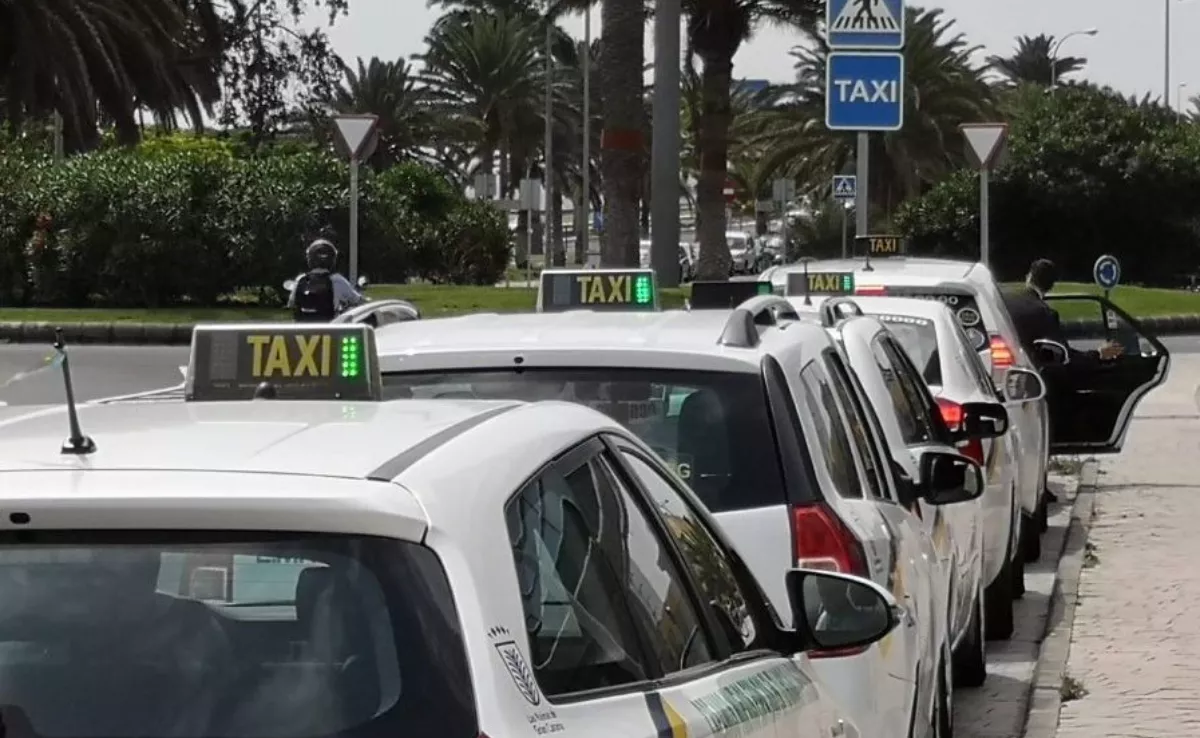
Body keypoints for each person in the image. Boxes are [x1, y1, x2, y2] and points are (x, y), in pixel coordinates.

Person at [1003, 258, 1122, 364]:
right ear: (1051, 286)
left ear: (1028, 277)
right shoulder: (1044, 314)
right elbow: (1065, 356)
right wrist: (1098, 353)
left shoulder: (1004, 301)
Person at [288, 239, 366, 322]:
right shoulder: (337, 280)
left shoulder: (301, 279)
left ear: (310, 258)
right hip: (328, 330)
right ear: (332, 259)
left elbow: (291, 303)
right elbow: (358, 301)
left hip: (302, 331)